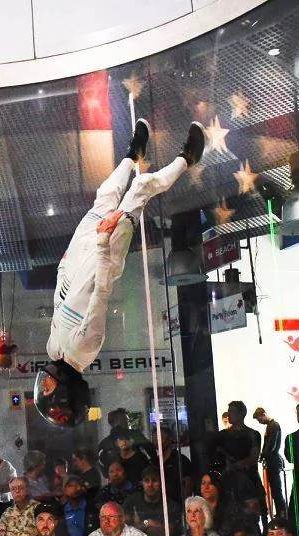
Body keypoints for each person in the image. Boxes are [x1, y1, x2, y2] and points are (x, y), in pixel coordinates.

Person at [34, 120, 205, 427]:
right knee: (140, 188)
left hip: (77, 260)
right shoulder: (84, 348)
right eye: (48, 390)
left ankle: (132, 154)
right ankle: (188, 158)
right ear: (64, 392)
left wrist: (66, 263)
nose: (44, 384)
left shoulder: (54, 351)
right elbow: (100, 291)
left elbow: (60, 304)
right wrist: (103, 241)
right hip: (105, 255)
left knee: (105, 195)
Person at [214, 401, 265, 526]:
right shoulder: (222, 435)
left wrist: (235, 465)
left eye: (232, 411)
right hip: (229, 482)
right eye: (229, 411)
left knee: (253, 517)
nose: (229, 414)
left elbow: (253, 457)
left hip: (249, 480)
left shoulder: (252, 434)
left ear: (242, 413)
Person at [123, 466, 180, 536]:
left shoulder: (171, 505)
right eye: (146, 480)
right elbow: (124, 531)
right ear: (142, 483)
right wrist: (148, 523)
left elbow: (167, 534)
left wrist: (139, 526)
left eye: (154, 480)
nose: (150, 484)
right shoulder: (132, 501)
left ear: (161, 483)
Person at [253, 407, 287, 518]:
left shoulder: (274, 426)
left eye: (259, 419)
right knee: (275, 490)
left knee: (277, 490)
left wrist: (262, 455)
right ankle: (280, 512)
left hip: (274, 462)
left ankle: (282, 512)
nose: (260, 422)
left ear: (264, 414)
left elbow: (271, 445)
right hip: (270, 461)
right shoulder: (270, 426)